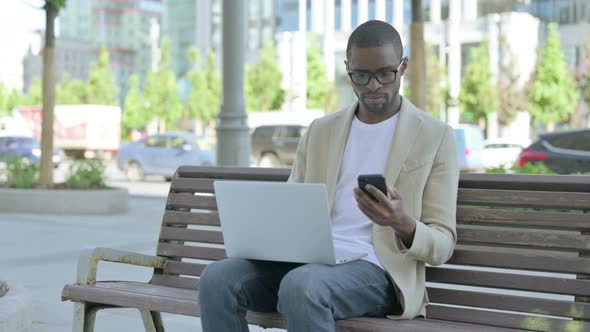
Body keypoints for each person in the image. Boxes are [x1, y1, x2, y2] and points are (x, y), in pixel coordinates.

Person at [198, 20, 459, 332]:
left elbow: (443, 244)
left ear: (403, 67)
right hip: (309, 263)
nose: (373, 85)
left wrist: (401, 222)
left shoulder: (435, 136)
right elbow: (292, 206)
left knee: (303, 285)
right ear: (348, 69)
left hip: (379, 271)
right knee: (217, 279)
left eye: (385, 73)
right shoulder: (321, 131)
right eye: (361, 75)